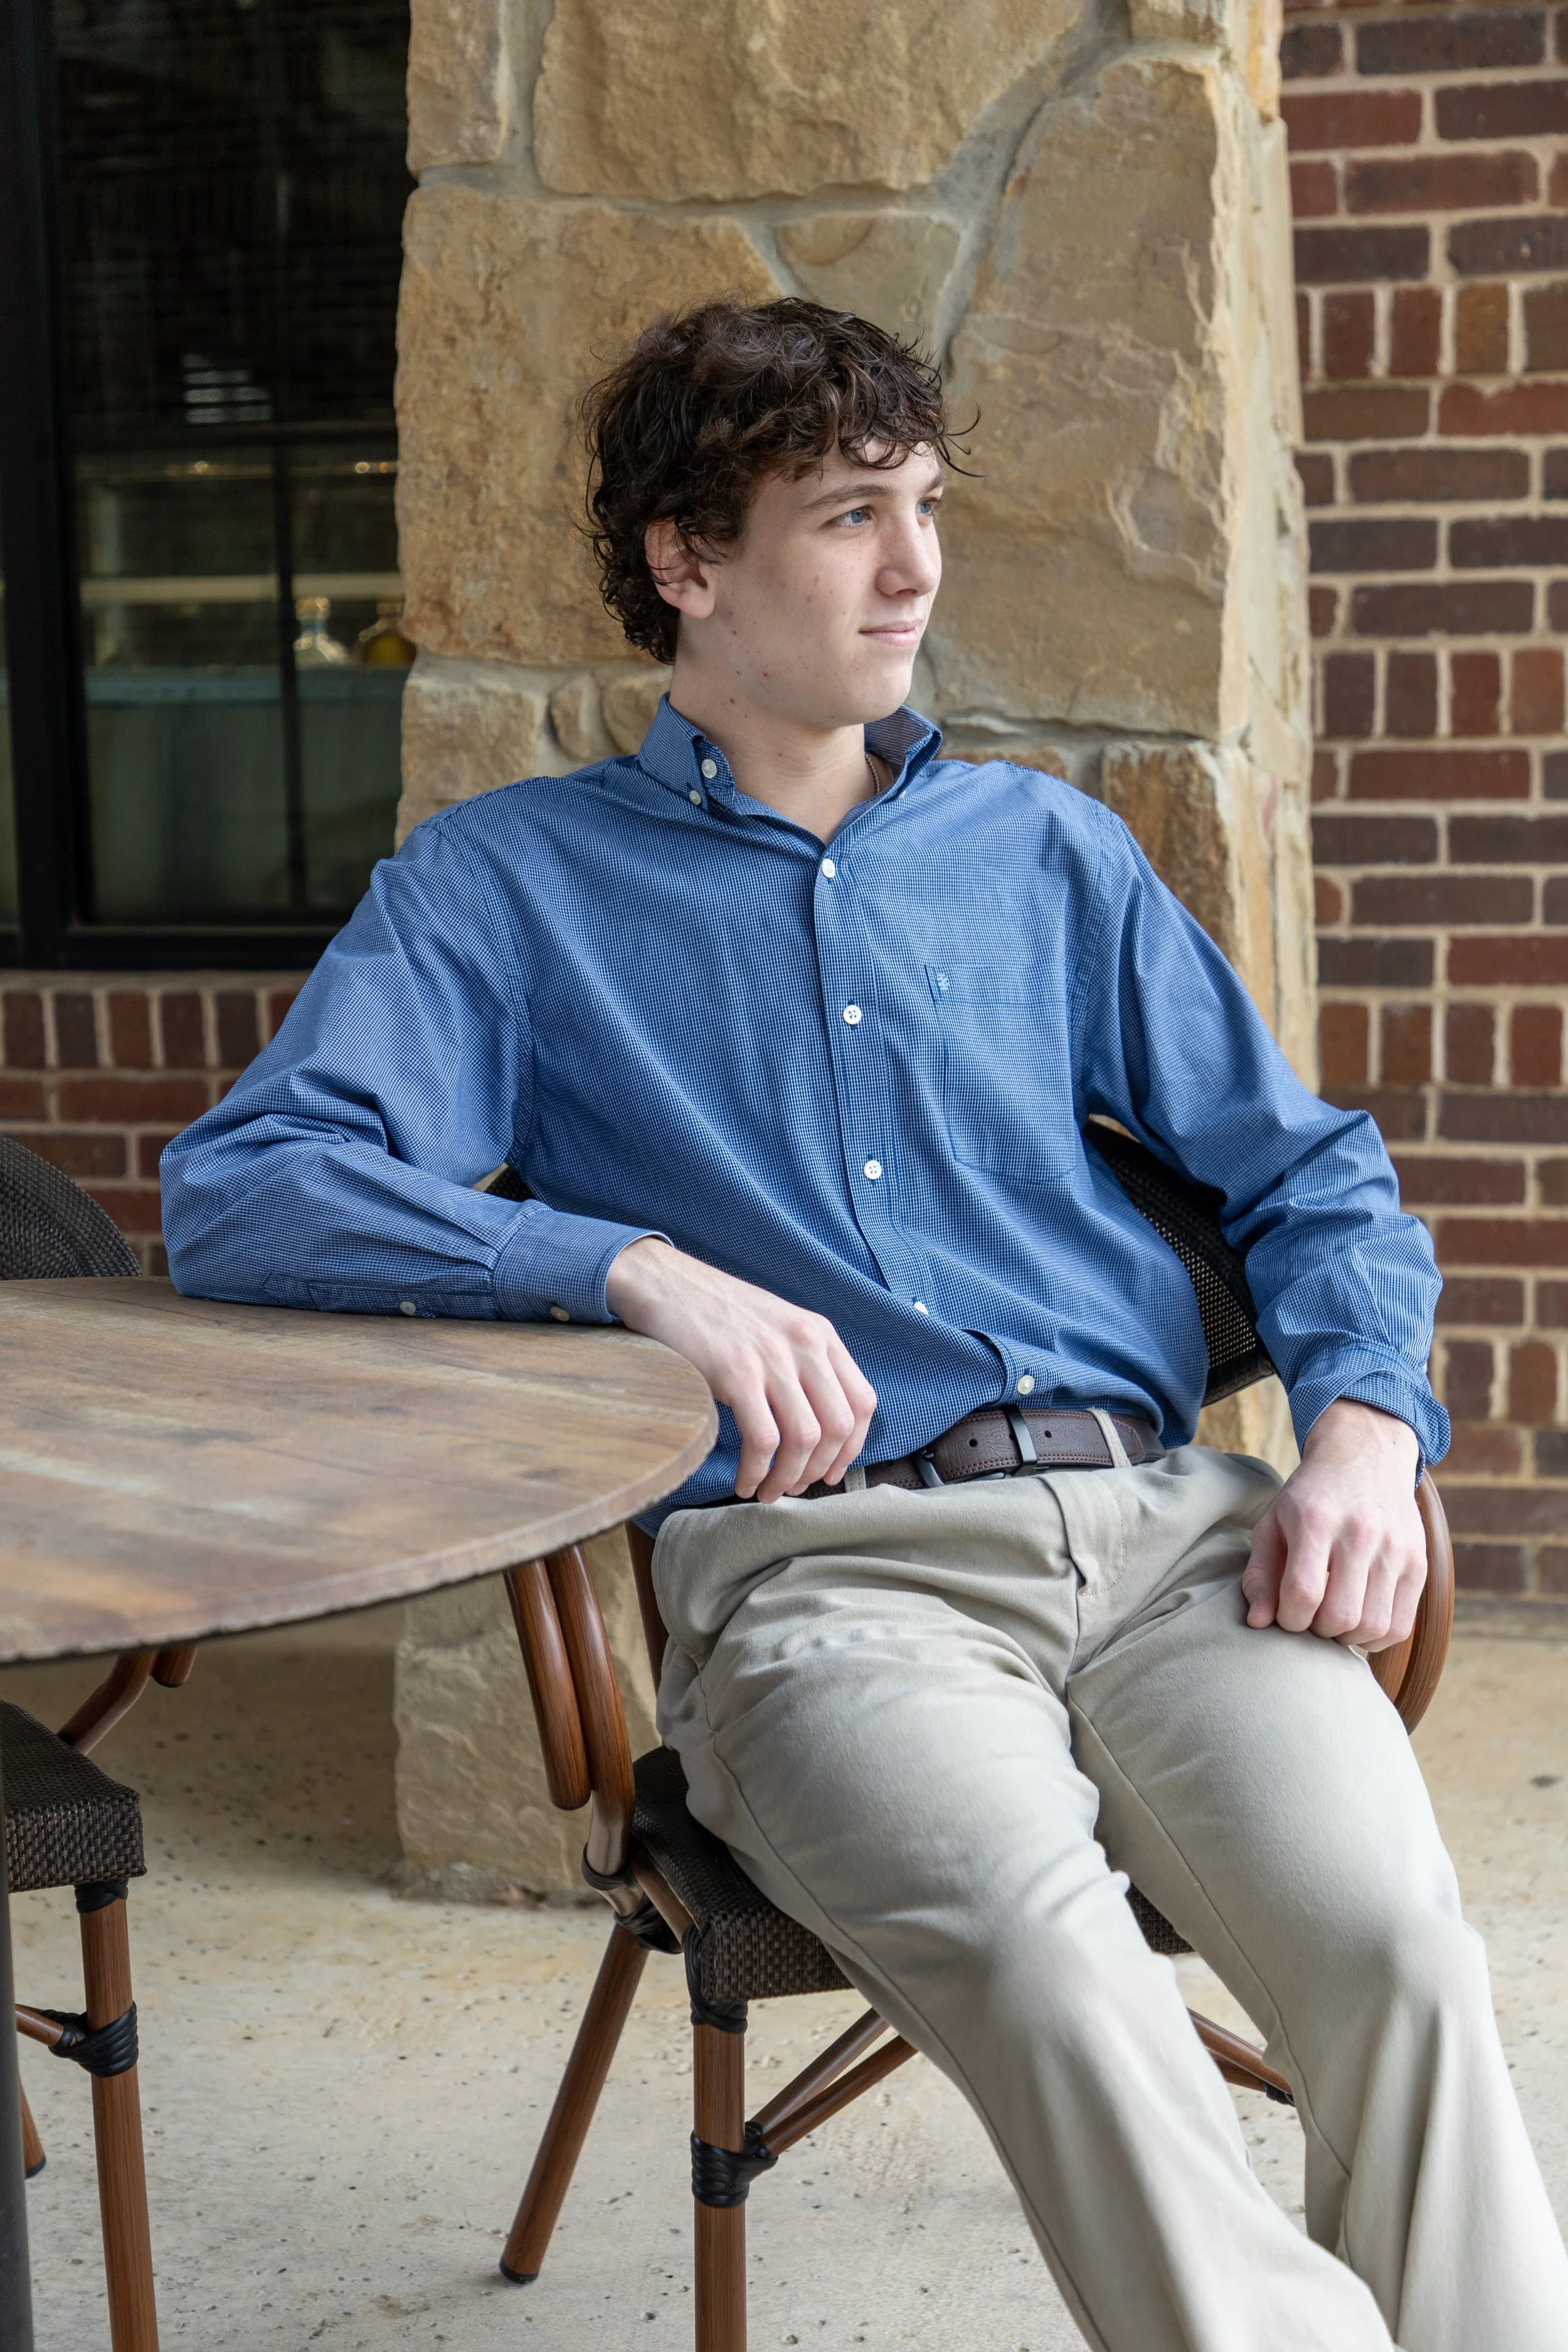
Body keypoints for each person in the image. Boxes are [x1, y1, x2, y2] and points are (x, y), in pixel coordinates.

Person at [160, 300, 1567, 2351]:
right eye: (844, 516)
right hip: (834, 1579)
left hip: (1178, 1549)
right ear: (685, 561)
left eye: (921, 508)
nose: (913, 567)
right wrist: (624, 1264)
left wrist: (1366, 1423)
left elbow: (1312, 1171)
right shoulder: (511, 889)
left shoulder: (1045, 857)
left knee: (1404, 1957)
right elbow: (244, 1182)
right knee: (1055, 1967)